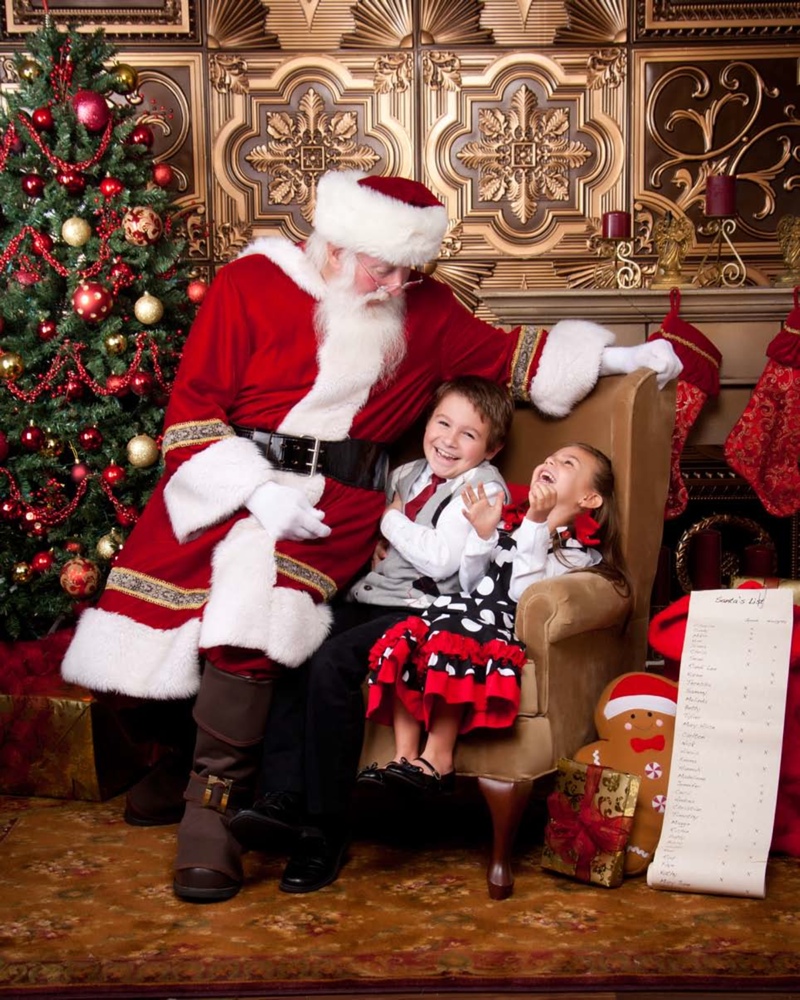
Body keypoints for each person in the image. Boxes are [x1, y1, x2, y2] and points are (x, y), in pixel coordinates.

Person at [61, 168, 681, 904]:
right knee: (138, 623)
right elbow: (193, 411)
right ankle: (181, 756)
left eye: (407, 269)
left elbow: (514, 355)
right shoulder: (249, 284)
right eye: (380, 266)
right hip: (228, 475)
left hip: (339, 504)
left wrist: (624, 358)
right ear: (333, 243)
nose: (394, 285)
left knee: (254, 614)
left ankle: (212, 810)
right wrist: (255, 488)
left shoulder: (423, 307)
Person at [229, 375, 513, 892]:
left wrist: (389, 524)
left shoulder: (483, 487)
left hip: (426, 610)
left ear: (491, 448)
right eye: (443, 423)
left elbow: (441, 558)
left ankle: (325, 828)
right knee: (296, 640)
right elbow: (375, 537)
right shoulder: (405, 472)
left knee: (335, 663)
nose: (449, 440)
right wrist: (376, 544)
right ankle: (281, 795)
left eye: (468, 435)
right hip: (371, 596)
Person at [361, 442, 627, 794]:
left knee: (449, 637)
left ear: (589, 499)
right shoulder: (512, 530)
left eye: (567, 463)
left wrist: (534, 522)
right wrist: (485, 536)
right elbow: (472, 581)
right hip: (460, 611)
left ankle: (438, 757)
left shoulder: (576, 554)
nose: (550, 460)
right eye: (550, 456)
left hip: (495, 628)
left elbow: (522, 592)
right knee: (408, 635)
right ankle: (405, 757)